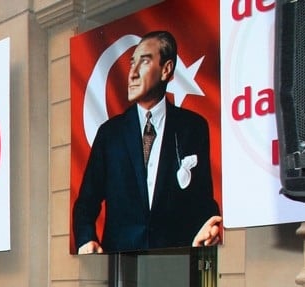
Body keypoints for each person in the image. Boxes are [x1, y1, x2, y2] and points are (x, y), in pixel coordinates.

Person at [72, 30, 223, 254]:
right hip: (121, 267)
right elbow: (86, 203)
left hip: (176, 264)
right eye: (131, 63)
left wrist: (210, 228)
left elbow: (203, 200)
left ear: (166, 69)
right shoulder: (110, 134)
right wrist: (86, 240)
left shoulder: (193, 127)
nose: (131, 73)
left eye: (143, 62)